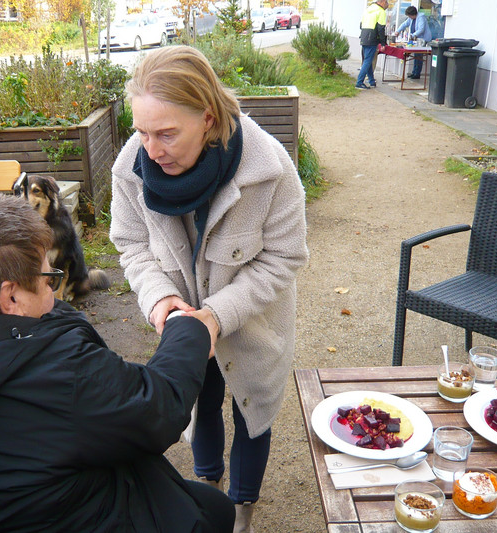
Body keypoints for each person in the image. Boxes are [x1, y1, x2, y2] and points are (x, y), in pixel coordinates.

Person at [0, 194, 235, 533]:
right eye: (48, 277)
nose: (54, 287)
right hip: (69, 515)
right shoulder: (63, 374)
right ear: (10, 297)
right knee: (215, 509)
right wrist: (189, 330)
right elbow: (158, 407)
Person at [109, 46, 308, 532]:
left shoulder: (271, 170)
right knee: (200, 405)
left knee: (251, 415)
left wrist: (217, 315)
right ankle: (209, 498)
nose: (150, 150)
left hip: (252, 325)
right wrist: (161, 301)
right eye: (140, 131)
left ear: (209, 117)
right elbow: (132, 244)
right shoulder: (129, 167)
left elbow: (284, 257)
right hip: (182, 326)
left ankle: (242, 517)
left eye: (167, 133)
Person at [356, 0, 389, 90]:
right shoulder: (381, 12)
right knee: (367, 61)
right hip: (372, 38)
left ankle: (371, 81)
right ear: (382, 2)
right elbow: (381, 28)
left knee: (368, 59)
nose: (387, 5)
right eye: (387, 3)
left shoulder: (368, 9)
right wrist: (383, 43)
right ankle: (359, 82)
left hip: (364, 36)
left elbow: (361, 24)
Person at [393, 6, 432, 79]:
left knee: (419, 56)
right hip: (416, 39)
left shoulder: (421, 18)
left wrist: (412, 35)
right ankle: (414, 72)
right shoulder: (411, 19)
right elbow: (404, 24)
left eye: (409, 16)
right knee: (415, 55)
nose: (409, 17)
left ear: (413, 14)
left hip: (422, 39)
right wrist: (398, 31)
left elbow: (421, 29)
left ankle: (417, 73)